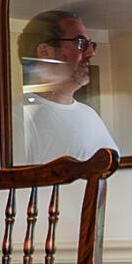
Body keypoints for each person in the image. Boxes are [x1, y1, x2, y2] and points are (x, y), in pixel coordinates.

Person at [14, 11, 118, 166]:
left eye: (91, 45)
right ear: (45, 52)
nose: (91, 53)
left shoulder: (90, 115)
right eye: (80, 43)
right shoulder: (18, 118)